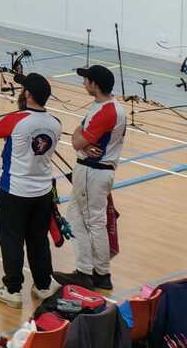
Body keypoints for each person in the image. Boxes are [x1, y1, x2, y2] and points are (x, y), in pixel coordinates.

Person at [0, 72, 61, 308]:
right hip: (42, 193)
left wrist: (16, 118)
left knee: (11, 239)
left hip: (14, 191)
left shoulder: (17, 119)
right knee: (38, 239)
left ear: (27, 94)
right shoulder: (55, 123)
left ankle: (12, 290)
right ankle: (43, 285)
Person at [54, 64, 126, 291]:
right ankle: (89, 270)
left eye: (86, 80)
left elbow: (77, 141)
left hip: (92, 172)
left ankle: (96, 273)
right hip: (94, 171)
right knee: (78, 217)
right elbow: (79, 133)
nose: (83, 82)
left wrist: (80, 140)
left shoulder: (106, 111)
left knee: (92, 222)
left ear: (95, 84)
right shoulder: (108, 106)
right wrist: (81, 139)